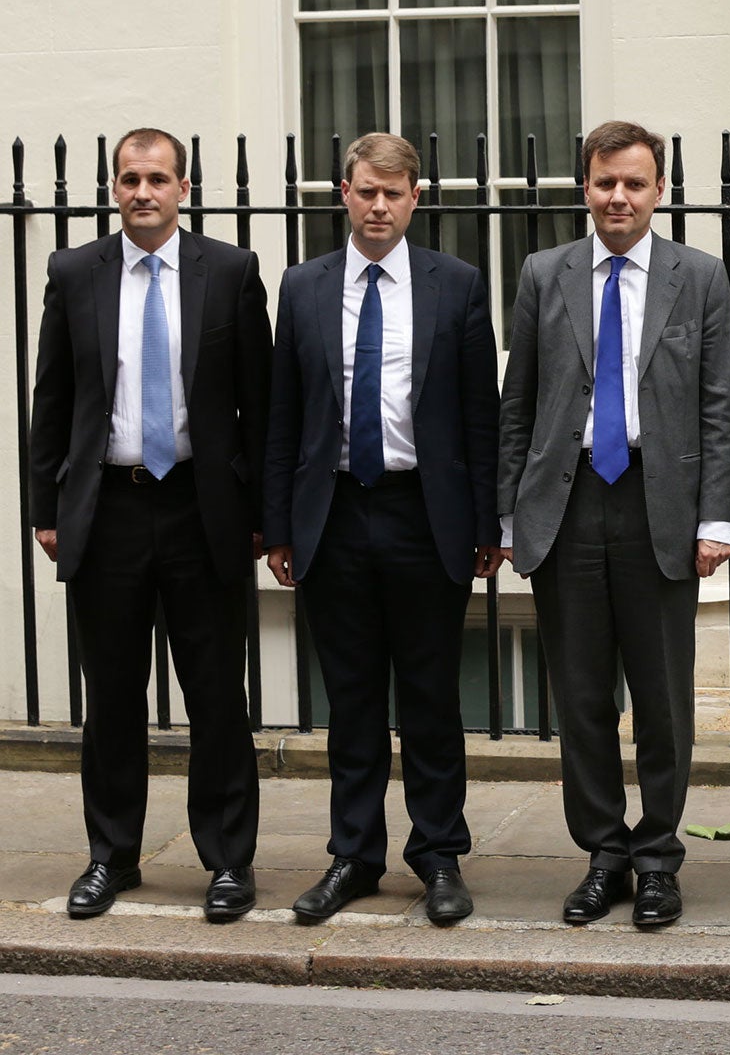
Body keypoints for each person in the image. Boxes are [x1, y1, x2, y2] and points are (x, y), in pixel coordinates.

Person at [498, 120, 730, 929]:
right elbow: (518, 405)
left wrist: (718, 519)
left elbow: (718, 410)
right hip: (566, 506)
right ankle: (603, 851)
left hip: (657, 505)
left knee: (664, 699)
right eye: (605, 182)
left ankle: (659, 856)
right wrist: (508, 515)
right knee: (580, 695)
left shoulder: (698, 277)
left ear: (659, 191)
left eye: (634, 184)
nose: (618, 197)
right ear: (585, 186)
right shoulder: (544, 273)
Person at [28, 127, 270, 923]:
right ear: (113, 187)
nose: (142, 191)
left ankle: (229, 862)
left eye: (157, 178)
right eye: (129, 178)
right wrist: (45, 508)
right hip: (110, 507)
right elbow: (53, 400)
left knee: (216, 699)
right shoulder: (74, 272)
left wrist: (265, 520)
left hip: (204, 507)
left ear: (184, 187)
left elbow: (259, 406)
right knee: (113, 697)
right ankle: (111, 856)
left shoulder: (229, 270)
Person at [264, 133, 502, 927]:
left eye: (393, 194)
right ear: (344, 192)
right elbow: (282, 416)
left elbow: (480, 416)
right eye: (366, 192)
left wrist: (488, 525)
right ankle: (354, 856)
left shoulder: (457, 285)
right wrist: (277, 528)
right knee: (353, 698)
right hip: (332, 513)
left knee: (431, 697)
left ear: (415, 198)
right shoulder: (302, 287)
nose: (378, 207)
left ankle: (438, 854)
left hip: (422, 513)